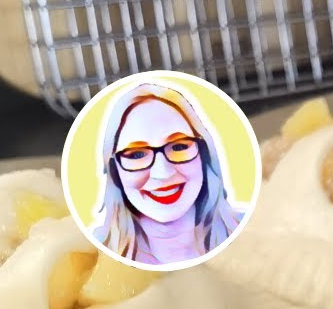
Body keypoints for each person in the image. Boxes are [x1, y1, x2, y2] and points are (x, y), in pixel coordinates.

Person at [94, 82, 245, 265]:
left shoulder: (257, 229)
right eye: (137, 154)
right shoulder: (90, 250)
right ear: (114, 170)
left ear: (204, 154)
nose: (163, 173)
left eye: (179, 146)